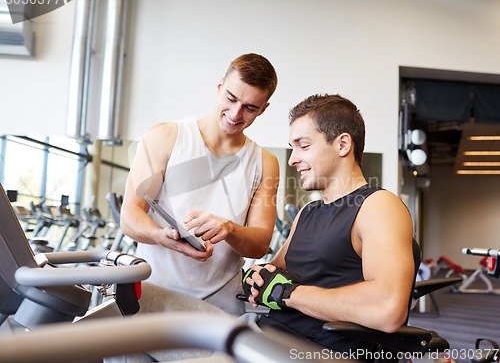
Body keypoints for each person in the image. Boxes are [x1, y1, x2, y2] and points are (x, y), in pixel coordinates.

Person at [243, 93, 415, 356]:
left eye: (303, 146)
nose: (292, 159)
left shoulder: (378, 206)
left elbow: (388, 307)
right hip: (261, 336)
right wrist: (257, 276)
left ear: (343, 144)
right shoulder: (307, 212)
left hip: (310, 352)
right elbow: (272, 272)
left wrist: (287, 293)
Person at [120, 53, 280, 316]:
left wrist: (229, 230)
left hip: (219, 306)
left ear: (264, 109)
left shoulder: (265, 162)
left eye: (250, 108)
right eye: (231, 98)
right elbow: (130, 216)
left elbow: (261, 243)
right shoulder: (166, 136)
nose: (236, 114)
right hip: (153, 295)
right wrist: (162, 237)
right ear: (219, 87)